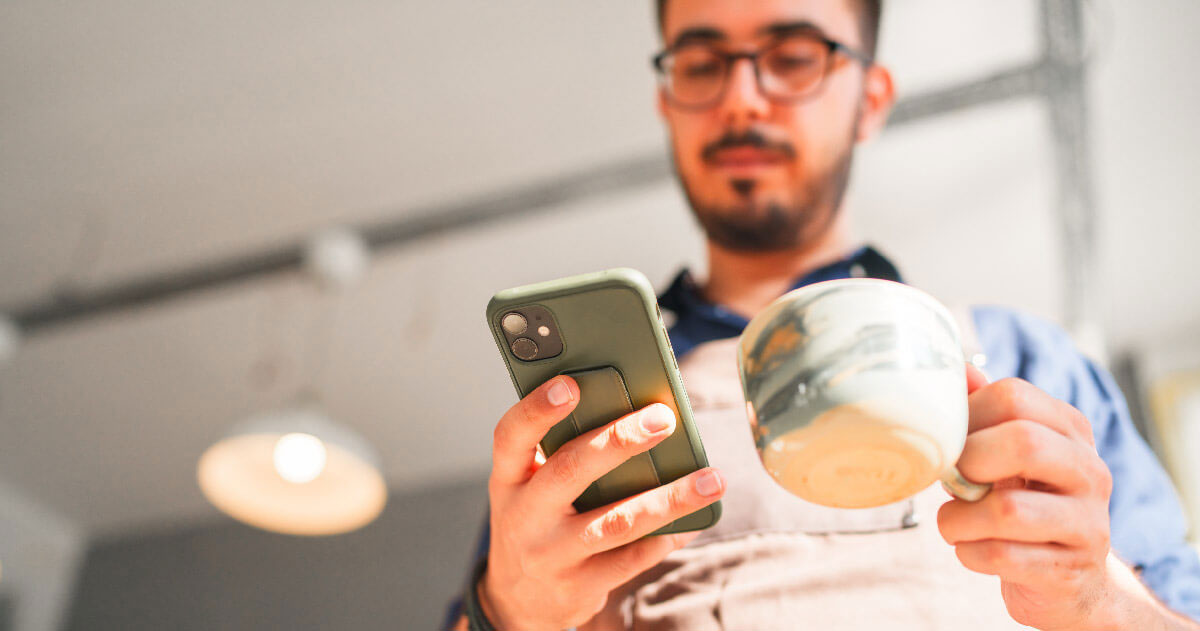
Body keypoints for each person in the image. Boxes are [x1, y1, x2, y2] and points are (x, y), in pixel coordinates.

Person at [448, 1, 1200, 628]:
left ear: (870, 98)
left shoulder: (1031, 359)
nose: (741, 97)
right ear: (667, 101)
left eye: (794, 55)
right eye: (703, 64)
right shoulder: (586, 409)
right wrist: (506, 607)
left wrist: (1100, 598)